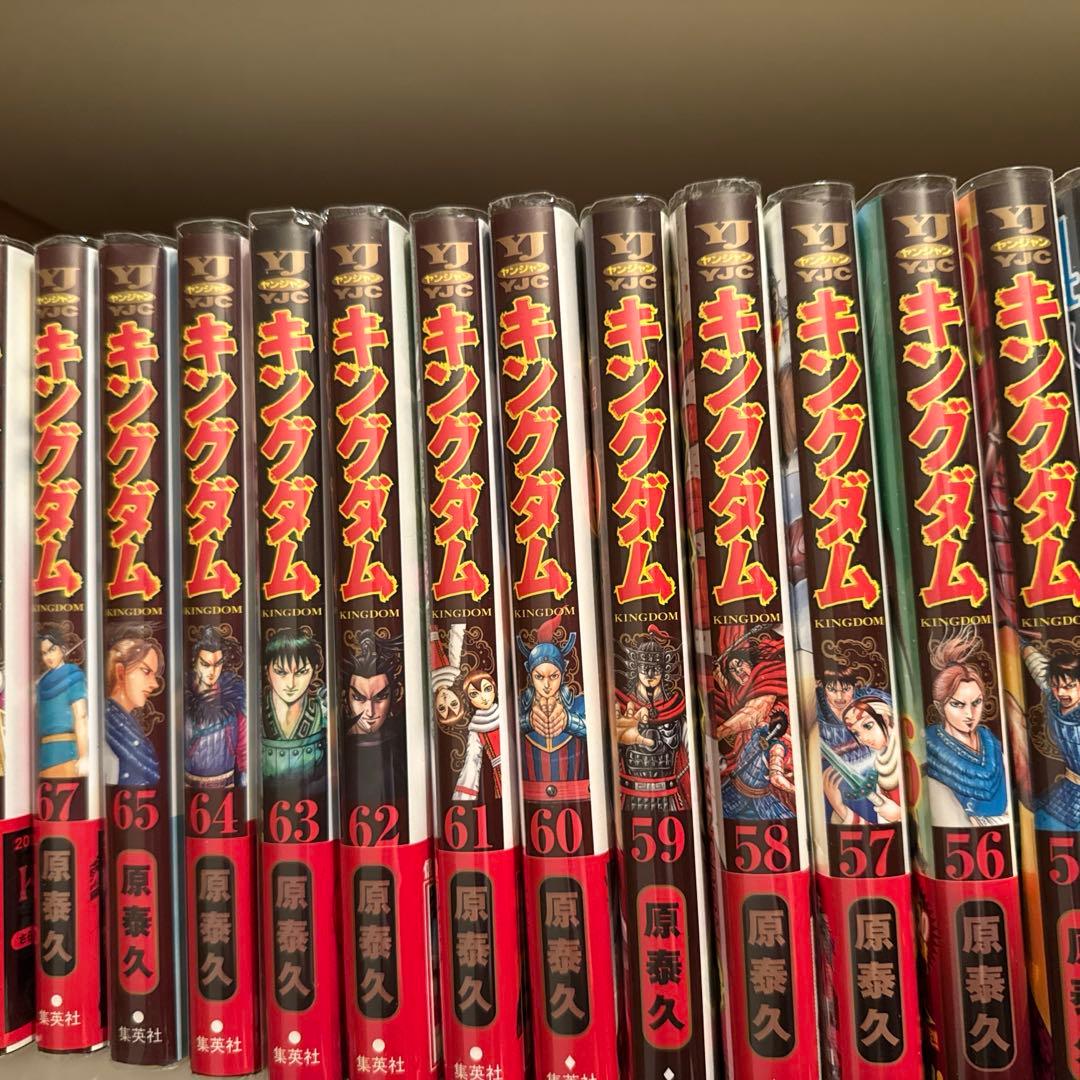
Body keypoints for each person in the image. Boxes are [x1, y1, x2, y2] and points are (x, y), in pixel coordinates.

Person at [924, 629, 1008, 827]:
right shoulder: (929, 744)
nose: (970, 714)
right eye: (958, 704)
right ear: (940, 706)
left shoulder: (990, 741)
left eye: (976, 702)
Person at [712, 626, 795, 821]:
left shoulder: (765, 677)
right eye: (733, 670)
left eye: (740, 664)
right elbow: (729, 690)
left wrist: (717, 734)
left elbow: (753, 714)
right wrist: (717, 672)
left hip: (778, 747)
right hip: (743, 771)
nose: (738, 671)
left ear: (751, 663)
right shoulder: (737, 692)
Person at [614, 627, 690, 812]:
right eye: (644, 667)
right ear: (636, 668)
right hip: (629, 797)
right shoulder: (622, 710)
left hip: (669, 798)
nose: (649, 674)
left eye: (655, 668)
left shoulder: (676, 709)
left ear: (664, 670)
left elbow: (692, 750)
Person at [517, 613, 587, 802]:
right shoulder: (519, 706)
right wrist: (527, 721)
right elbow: (503, 731)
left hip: (577, 796)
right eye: (539, 677)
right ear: (530, 674)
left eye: (553, 676)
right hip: (530, 798)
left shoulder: (580, 703)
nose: (546, 685)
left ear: (562, 673)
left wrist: (568, 720)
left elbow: (596, 731)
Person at [342, 629, 407, 817]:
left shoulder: (401, 743)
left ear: (396, 694)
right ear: (345, 697)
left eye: (380, 697)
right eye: (359, 698)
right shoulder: (338, 745)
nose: (369, 712)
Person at [262, 628, 327, 806]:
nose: (291, 684)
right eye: (281, 672)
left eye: (301, 672)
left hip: (316, 802)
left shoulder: (323, 713)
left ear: (314, 671)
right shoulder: (253, 713)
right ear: (267, 671)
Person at [815, 660, 879, 822]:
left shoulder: (867, 700)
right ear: (823, 687)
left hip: (867, 770)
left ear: (854, 687)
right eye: (832, 690)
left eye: (846, 690)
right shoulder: (814, 706)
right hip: (829, 775)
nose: (839, 697)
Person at [1025, 643, 1080, 829]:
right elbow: (1037, 666)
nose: (1061, 692)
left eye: (1069, 686)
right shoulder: (1053, 698)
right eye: (1056, 686)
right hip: (1069, 788)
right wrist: (1023, 644)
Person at [822, 695, 901, 825]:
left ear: (886, 719)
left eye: (867, 725)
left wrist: (899, 814)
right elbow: (881, 828)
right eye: (856, 733)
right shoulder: (882, 761)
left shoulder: (907, 757)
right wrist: (839, 807)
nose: (863, 738)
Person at [185, 627, 246, 789]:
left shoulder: (234, 697)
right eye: (205, 664)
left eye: (217, 664)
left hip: (227, 784)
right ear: (195, 662)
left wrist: (244, 778)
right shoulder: (184, 697)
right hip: (189, 785)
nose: (212, 672)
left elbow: (243, 743)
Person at [105, 628, 163, 787]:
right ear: (120, 672)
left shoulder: (121, 721)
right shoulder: (108, 722)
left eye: (154, 675)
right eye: (146, 671)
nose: (155, 684)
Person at [36, 628, 89, 779]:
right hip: (44, 754)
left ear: (63, 649)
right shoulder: (41, 684)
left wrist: (84, 756)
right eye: (44, 653)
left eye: (52, 650)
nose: (48, 657)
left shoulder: (73, 676)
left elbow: (81, 716)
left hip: (67, 752)